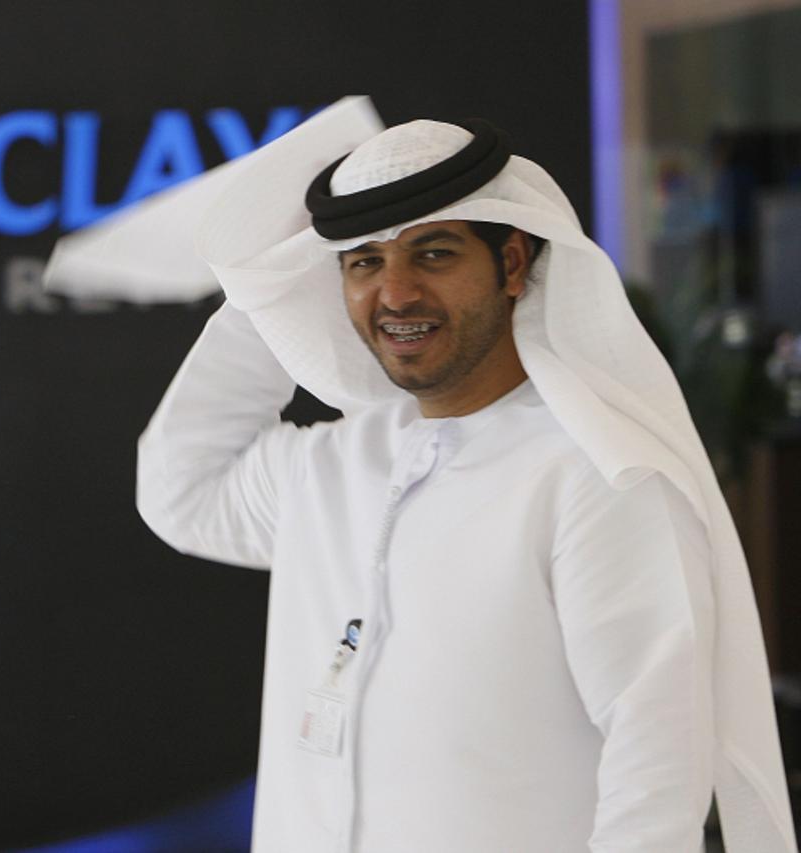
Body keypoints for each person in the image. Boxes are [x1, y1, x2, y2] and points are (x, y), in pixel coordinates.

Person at [132, 116, 797, 851]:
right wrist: (271, 288)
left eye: (434, 253)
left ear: (513, 262)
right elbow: (179, 488)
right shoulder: (331, 465)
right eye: (363, 262)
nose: (396, 292)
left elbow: (657, 761)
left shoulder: (593, 472)